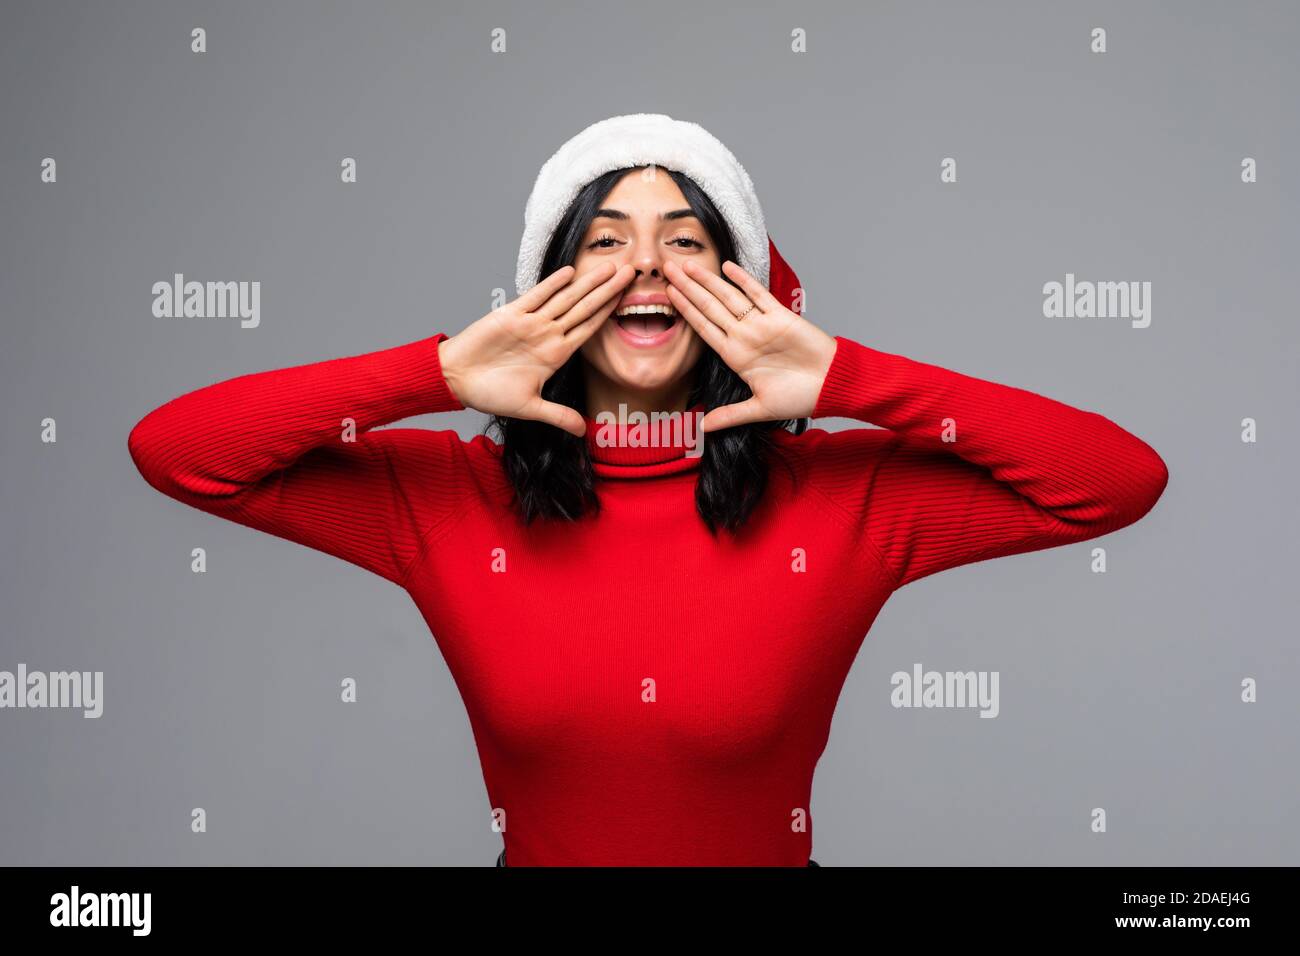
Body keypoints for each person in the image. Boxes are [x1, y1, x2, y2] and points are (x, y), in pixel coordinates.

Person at [127, 113, 1169, 867]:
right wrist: (434, 371)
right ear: (549, 289)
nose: (644, 269)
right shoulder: (446, 498)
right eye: (603, 243)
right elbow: (176, 449)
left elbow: (1117, 481)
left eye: (685, 242)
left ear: (740, 286)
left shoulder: (843, 500)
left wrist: (849, 378)